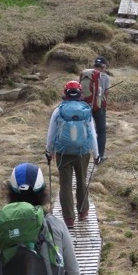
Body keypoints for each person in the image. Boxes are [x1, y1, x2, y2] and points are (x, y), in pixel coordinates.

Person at [45, 81, 100, 228]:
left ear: (66, 93)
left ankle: (69, 219)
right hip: (83, 152)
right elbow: (93, 134)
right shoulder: (86, 110)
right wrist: (96, 154)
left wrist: (48, 151)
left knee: (65, 185)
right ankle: (83, 212)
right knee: (82, 181)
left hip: (63, 153)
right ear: (80, 93)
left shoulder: (59, 110)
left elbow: (51, 133)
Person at [80, 56, 110, 162]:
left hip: (84, 106)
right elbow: (106, 92)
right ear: (104, 66)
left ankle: (82, 153)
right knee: (100, 131)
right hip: (99, 106)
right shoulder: (105, 77)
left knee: (84, 129)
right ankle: (100, 155)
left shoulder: (86, 75)